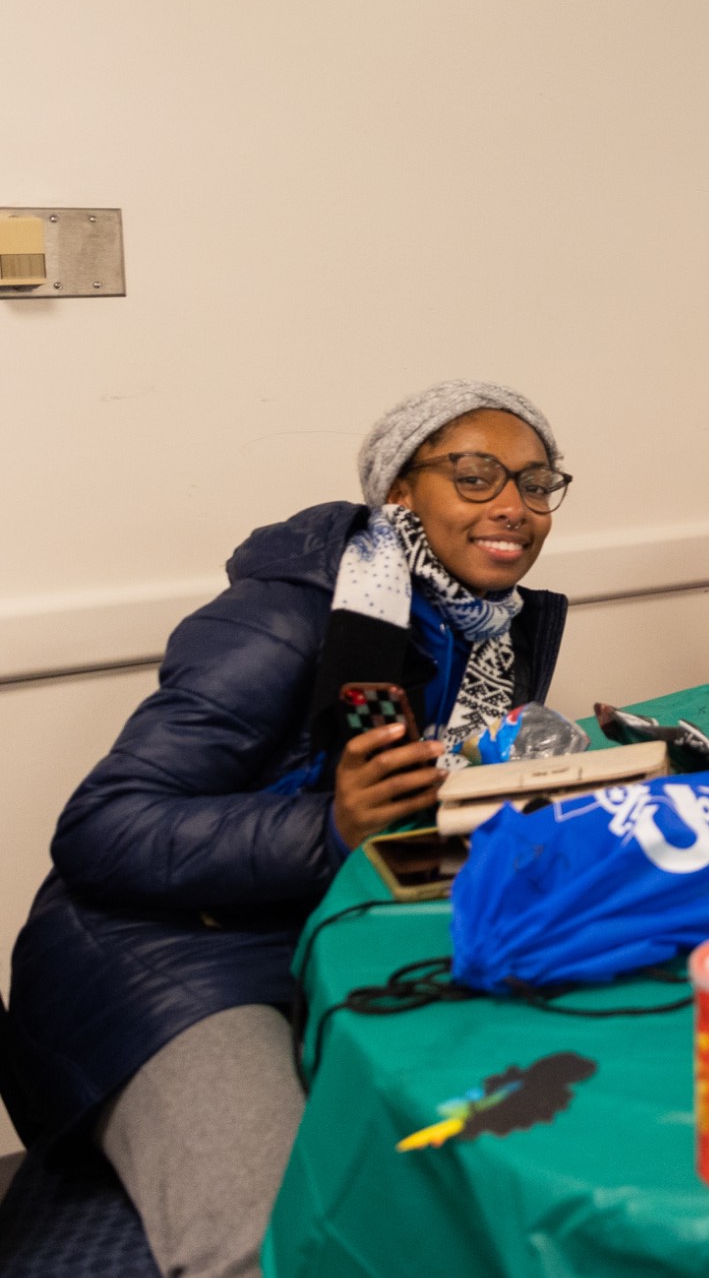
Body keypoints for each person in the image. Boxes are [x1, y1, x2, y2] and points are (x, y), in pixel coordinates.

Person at [8, 381, 573, 1277]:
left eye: (537, 482)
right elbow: (99, 827)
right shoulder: (286, 612)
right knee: (275, 1249)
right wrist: (331, 827)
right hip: (168, 961)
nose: (514, 504)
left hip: (339, 926)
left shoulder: (494, 626)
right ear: (399, 494)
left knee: (512, 1150)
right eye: (475, 475)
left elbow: (433, 803)